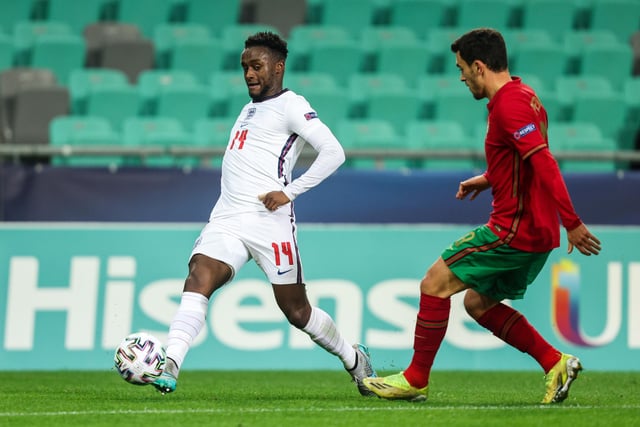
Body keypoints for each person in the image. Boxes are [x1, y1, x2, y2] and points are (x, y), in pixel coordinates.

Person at [363, 28, 602, 404]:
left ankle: (415, 379)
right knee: (478, 303)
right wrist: (491, 178)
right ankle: (555, 362)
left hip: (514, 229)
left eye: (461, 69)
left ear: (478, 66)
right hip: (534, 231)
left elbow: (544, 163)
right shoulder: (527, 96)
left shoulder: (510, 105)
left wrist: (571, 221)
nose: (460, 77)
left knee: (434, 283)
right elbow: (523, 161)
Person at [152, 31, 375, 396]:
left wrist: (289, 192)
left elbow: (334, 152)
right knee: (198, 277)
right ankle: (171, 363)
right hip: (227, 217)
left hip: (270, 224)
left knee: (297, 312)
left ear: (278, 66)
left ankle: (354, 359)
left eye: (256, 66)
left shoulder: (292, 105)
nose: (249, 74)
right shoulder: (248, 108)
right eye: (244, 67)